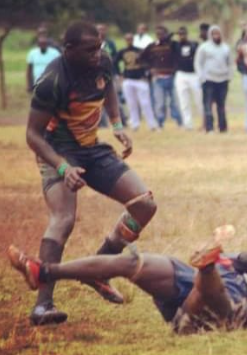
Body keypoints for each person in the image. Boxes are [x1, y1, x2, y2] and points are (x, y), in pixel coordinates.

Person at [25, 21, 157, 325]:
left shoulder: (103, 59)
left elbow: (108, 84)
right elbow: (32, 135)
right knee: (63, 219)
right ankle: (43, 305)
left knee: (144, 205)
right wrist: (62, 166)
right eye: (90, 50)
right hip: (56, 151)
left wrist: (117, 124)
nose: (98, 54)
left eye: (99, 47)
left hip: (91, 149)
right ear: (68, 49)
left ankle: (99, 270)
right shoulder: (52, 80)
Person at [7, 227, 247, 332]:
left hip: (192, 316)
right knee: (130, 263)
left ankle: (206, 266)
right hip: (184, 281)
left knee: (220, 299)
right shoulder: (238, 263)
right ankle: (44, 272)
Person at [140, 25, 183, 128]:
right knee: (160, 103)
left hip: (172, 77)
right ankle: (160, 122)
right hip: (158, 78)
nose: (160, 36)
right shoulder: (152, 46)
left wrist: (170, 37)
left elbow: (178, 52)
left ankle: (179, 122)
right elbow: (141, 58)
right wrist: (149, 68)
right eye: (158, 34)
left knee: (175, 102)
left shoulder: (172, 45)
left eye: (162, 34)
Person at [114, 33, 158, 131]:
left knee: (145, 103)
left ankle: (152, 124)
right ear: (125, 40)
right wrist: (119, 74)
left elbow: (149, 62)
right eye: (127, 39)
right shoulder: (122, 51)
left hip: (140, 79)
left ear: (133, 39)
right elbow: (114, 62)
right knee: (131, 103)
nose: (129, 41)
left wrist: (148, 76)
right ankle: (135, 124)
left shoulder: (140, 51)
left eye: (131, 39)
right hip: (128, 79)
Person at [195, 25, 232, 133]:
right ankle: (209, 128)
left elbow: (230, 63)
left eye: (218, 33)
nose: (216, 36)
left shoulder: (226, 48)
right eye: (214, 34)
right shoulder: (204, 47)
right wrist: (201, 77)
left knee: (221, 105)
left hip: (222, 80)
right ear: (210, 35)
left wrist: (229, 75)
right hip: (208, 80)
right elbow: (198, 63)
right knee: (208, 105)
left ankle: (223, 128)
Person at [173, 26, 202, 130]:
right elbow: (164, 40)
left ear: (187, 34)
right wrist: (173, 33)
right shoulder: (175, 45)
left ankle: (205, 122)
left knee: (199, 99)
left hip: (193, 74)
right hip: (181, 74)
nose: (181, 36)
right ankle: (188, 124)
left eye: (183, 34)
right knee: (184, 101)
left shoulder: (194, 44)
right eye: (179, 34)